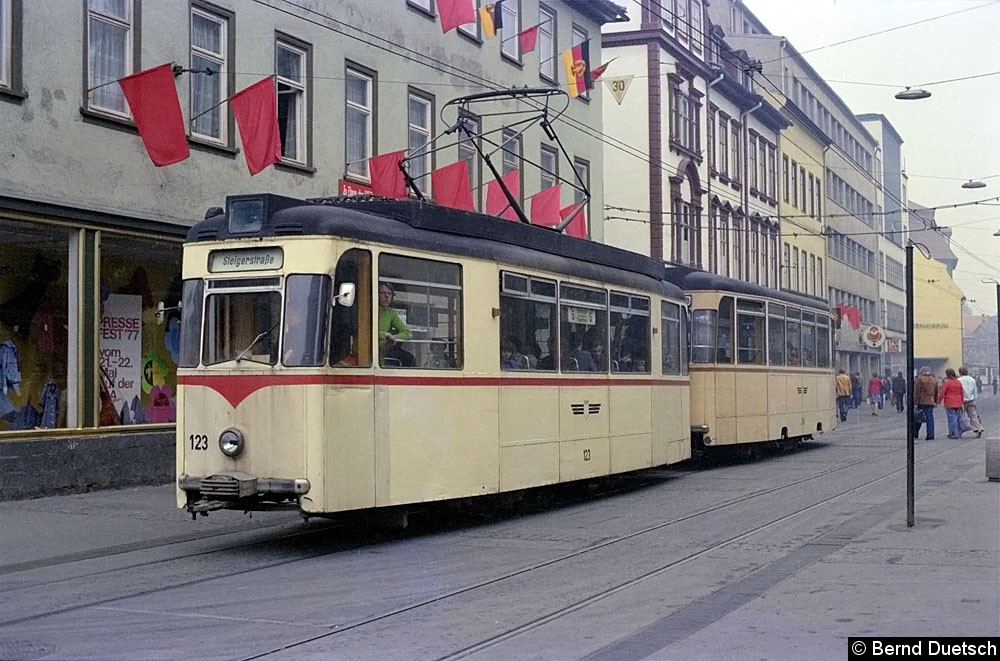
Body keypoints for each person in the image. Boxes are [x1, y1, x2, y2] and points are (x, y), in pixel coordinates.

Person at [378, 281, 414, 366]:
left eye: (389, 293)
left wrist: (393, 337)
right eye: (383, 293)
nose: (386, 296)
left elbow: (408, 333)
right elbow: (365, 331)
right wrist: (384, 334)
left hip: (382, 353)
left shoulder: (390, 313)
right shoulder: (366, 309)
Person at [938, 367, 965, 439]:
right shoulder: (958, 382)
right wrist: (961, 402)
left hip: (949, 402)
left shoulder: (947, 382)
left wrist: (939, 401)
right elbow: (962, 393)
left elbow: (942, 393)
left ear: (947, 374)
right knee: (957, 418)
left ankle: (953, 433)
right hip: (958, 402)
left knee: (951, 418)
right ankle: (957, 432)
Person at [958, 366, 984, 438]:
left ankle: (960, 431)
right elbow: (974, 390)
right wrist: (975, 399)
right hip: (971, 400)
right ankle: (978, 428)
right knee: (973, 415)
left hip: (962, 401)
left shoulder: (959, 380)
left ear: (960, 372)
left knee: (961, 416)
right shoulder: (972, 379)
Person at [914, 366, 938, 440]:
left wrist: (915, 402)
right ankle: (930, 435)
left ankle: (915, 433)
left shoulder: (920, 379)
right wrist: (935, 401)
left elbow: (917, 391)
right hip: (930, 401)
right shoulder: (934, 379)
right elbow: (936, 392)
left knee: (918, 417)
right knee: (930, 418)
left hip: (922, 401)